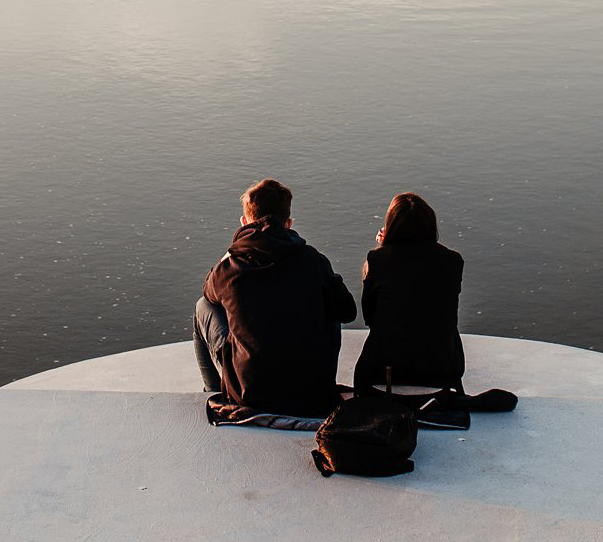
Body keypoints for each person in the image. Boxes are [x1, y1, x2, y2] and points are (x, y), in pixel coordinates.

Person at [194, 177, 356, 416]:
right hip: (312, 394)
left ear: (244, 221)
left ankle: (214, 392)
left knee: (203, 307)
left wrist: (230, 259)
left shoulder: (230, 268)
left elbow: (208, 292)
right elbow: (348, 312)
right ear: (288, 223)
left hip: (251, 394)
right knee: (331, 300)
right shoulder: (313, 260)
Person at [353, 191, 464, 392]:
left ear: (391, 226)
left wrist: (383, 248)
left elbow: (370, 316)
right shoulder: (453, 261)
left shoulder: (377, 260)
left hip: (385, 371)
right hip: (442, 370)